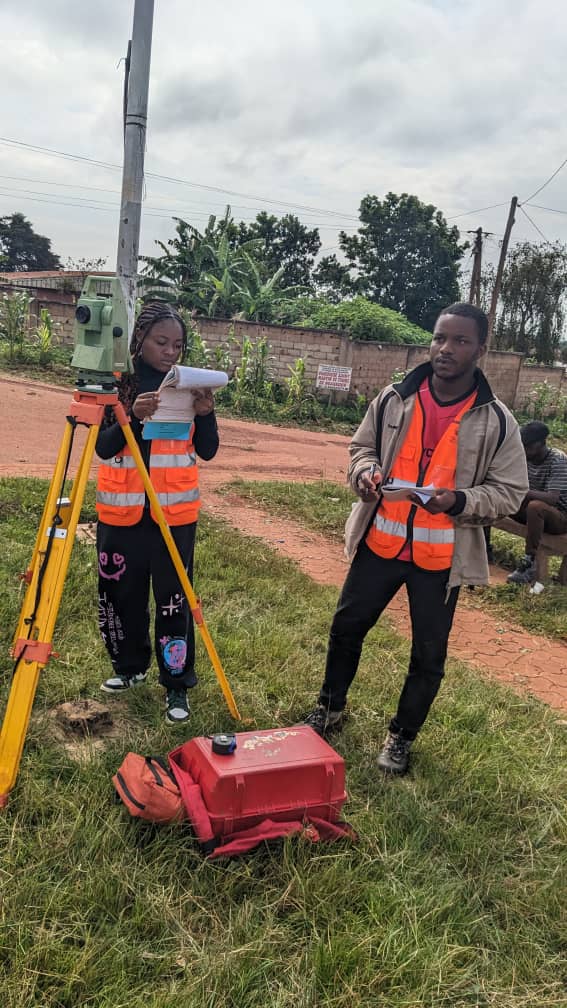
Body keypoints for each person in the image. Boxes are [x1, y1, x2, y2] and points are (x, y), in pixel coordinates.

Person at [303, 302, 528, 775]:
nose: (446, 349)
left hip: (441, 560)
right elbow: (361, 448)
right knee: (346, 629)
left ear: (480, 350)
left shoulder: (497, 421)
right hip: (380, 545)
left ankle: (401, 737)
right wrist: (365, 473)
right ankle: (330, 708)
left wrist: (459, 500)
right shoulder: (394, 398)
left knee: (428, 655)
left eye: (460, 341)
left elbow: (509, 492)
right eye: (440, 337)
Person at [95, 301, 219, 725]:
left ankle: (176, 682)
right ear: (140, 340)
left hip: (174, 516)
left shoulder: (189, 385)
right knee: (121, 595)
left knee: (173, 602)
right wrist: (131, 416)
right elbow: (104, 447)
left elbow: (207, 450)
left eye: (177, 345)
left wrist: (206, 414)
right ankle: (129, 668)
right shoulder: (117, 384)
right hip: (122, 515)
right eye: (161, 342)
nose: (170, 352)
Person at [507, 421, 567, 585]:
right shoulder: (526, 458)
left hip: (560, 517)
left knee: (535, 506)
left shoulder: (558, 460)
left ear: (540, 444)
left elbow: (552, 498)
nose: (523, 450)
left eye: (527, 447)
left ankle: (529, 563)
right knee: (500, 498)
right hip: (535, 515)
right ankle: (483, 547)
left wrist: (521, 491)